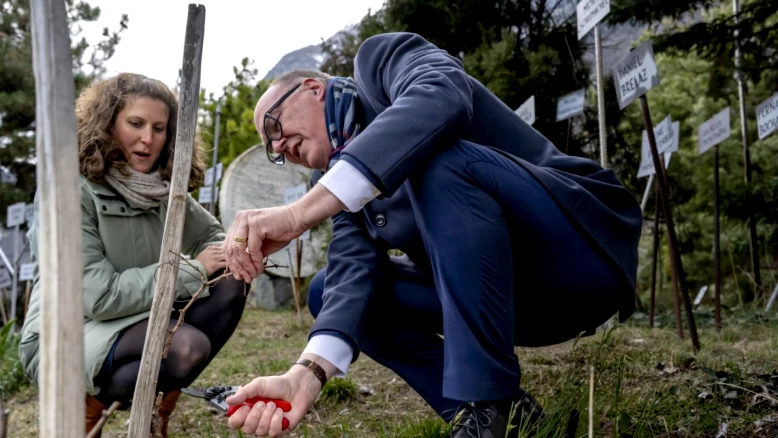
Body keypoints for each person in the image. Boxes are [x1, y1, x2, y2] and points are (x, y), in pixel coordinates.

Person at [222, 32, 642, 438]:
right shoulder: (332, 181)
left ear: (313, 88)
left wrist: (297, 215)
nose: (276, 148)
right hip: (516, 307)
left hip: (580, 254)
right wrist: (306, 376)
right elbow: (352, 273)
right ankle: (508, 418)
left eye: (273, 126)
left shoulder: (379, 63)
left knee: (440, 162)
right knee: (327, 288)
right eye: (268, 148)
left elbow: (443, 94)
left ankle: (485, 408)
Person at [18, 73, 249, 437]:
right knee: (185, 348)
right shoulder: (69, 191)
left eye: (160, 128)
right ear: (107, 124)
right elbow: (99, 296)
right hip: (67, 331)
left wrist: (240, 249)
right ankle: (84, 411)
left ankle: (156, 416)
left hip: (134, 318)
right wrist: (192, 270)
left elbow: (213, 238)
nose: (148, 139)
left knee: (232, 279)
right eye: (136, 124)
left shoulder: (162, 190)